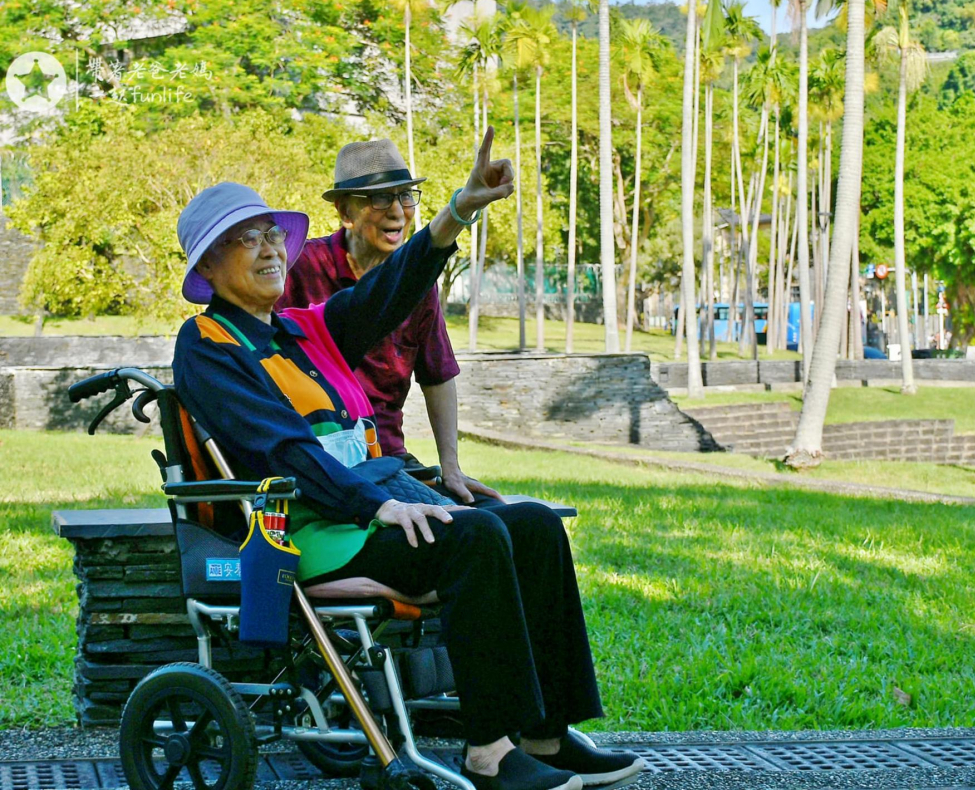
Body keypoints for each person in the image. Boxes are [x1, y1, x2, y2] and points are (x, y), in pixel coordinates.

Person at [171, 130, 645, 790]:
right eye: (247, 239)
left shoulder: (305, 327)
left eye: (272, 234)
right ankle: (490, 751)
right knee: (472, 536)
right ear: (210, 266)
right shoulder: (205, 344)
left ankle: (546, 733)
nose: (271, 248)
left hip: (373, 505)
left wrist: (460, 209)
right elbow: (282, 446)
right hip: (312, 530)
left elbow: (392, 289)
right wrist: (379, 503)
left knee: (532, 524)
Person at [276, 137, 500, 506]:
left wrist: (451, 467)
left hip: (391, 461)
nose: (397, 211)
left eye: (405, 196)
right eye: (380, 198)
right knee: (466, 529)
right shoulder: (301, 269)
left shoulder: (418, 285)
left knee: (506, 514)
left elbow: (438, 375)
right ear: (345, 212)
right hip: (324, 465)